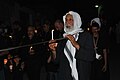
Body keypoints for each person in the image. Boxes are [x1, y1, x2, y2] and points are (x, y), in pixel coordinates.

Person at [49, 11, 95, 80]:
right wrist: (53, 51)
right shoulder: (63, 39)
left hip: (81, 76)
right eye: (66, 20)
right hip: (65, 76)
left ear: (76, 21)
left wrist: (76, 44)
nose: (67, 22)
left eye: (70, 19)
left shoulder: (85, 36)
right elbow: (56, 61)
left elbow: (91, 56)